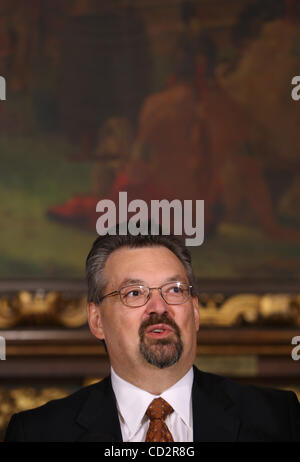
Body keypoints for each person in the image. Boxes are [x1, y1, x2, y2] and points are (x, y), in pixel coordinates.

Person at [4, 225, 300, 442]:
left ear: (195, 311)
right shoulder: (37, 434)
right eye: (134, 293)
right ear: (96, 320)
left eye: (174, 290)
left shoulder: (278, 419)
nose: (159, 307)